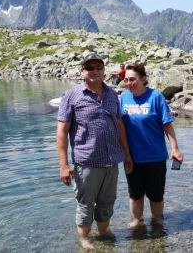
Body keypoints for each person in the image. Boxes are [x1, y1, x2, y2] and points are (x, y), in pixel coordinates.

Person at [56, 52, 133, 250]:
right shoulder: (72, 96)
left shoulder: (111, 94)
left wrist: (126, 154)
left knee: (107, 201)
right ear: (82, 71)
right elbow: (62, 133)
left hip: (111, 159)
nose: (95, 71)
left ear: (104, 70)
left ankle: (104, 231)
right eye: (89, 68)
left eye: (98, 67)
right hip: (87, 160)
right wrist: (64, 166)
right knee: (85, 203)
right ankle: (84, 237)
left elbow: (118, 123)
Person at [119, 63, 184, 227]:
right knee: (135, 194)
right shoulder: (124, 98)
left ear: (143, 79)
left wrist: (174, 148)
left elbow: (167, 123)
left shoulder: (155, 97)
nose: (128, 83)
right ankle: (135, 222)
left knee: (156, 195)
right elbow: (119, 127)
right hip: (132, 157)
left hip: (155, 156)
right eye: (126, 80)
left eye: (132, 79)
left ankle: (157, 221)